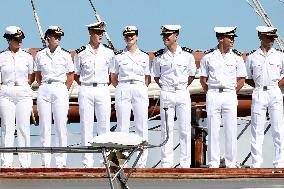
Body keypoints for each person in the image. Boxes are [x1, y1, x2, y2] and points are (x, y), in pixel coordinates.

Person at [199, 26, 247, 168]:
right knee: (213, 129)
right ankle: (213, 162)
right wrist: (210, 92)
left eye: (232, 37)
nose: (232, 40)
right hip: (213, 93)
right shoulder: (208, 57)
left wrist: (232, 92)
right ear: (220, 39)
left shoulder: (237, 58)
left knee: (231, 129)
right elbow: (203, 79)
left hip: (229, 94)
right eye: (229, 37)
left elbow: (242, 79)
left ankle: (230, 162)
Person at [152, 25, 196, 168]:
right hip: (167, 92)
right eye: (164, 35)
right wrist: (168, 87)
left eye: (168, 35)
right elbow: (157, 77)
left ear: (176, 36)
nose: (165, 38)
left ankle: (185, 163)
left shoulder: (187, 55)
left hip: (182, 92)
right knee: (166, 128)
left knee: (184, 128)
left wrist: (180, 87)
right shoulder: (159, 57)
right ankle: (166, 163)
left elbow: (191, 75)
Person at [74, 21, 114, 168]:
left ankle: (105, 162)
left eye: (102, 33)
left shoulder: (109, 53)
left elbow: (112, 75)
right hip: (86, 88)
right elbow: (76, 75)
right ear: (90, 33)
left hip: (103, 88)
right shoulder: (81, 52)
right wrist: (87, 85)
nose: (100, 35)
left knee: (104, 125)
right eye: (98, 32)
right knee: (86, 125)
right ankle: (87, 162)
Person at [110, 26, 151, 168]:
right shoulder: (118, 56)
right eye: (127, 35)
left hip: (139, 87)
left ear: (137, 37)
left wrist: (139, 87)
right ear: (124, 38)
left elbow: (147, 78)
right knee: (122, 125)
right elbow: (114, 78)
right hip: (123, 87)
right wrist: (123, 87)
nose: (130, 37)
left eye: (132, 35)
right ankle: (122, 162)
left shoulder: (144, 56)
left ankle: (141, 162)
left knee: (142, 125)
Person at [34, 26, 74, 168]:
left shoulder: (65, 54)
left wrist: (63, 89)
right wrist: (45, 86)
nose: (58, 38)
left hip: (60, 87)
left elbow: (70, 76)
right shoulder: (40, 55)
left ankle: (60, 161)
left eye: (59, 36)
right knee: (44, 126)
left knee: (60, 125)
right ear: (48, 37)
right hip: (45, 87)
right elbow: (38, 75)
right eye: (55, 36)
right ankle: (45, 162)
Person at [245, 26, 284, 168]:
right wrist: (258, 85)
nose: (271, 41)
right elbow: (248, 77)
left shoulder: (280, 56)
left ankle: (279, 163)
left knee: (278, 128)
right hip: (259, 91)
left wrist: (277, 84)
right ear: (260, 37)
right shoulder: (252, 57)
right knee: (257, 128)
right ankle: (256, 163)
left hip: (274, 91)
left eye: (273, 38)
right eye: (268, 38)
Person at [0, 26, 34, 168]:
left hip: (22, 90)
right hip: (6, 91)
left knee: (23, 126)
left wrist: (24, 87)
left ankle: (25, 162)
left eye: (21, 39)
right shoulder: (1, 57)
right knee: (6, 127)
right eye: (16, 39)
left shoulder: (27, 57)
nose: (19, 42)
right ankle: (5, 162)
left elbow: (31, 76)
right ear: (8, 40)